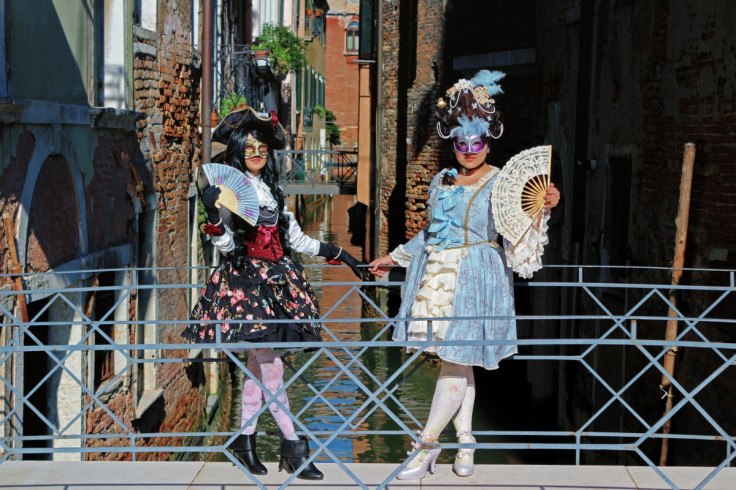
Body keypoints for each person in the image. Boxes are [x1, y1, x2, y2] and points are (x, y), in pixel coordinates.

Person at [368, 70, 560, 480]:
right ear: (452, 140)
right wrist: (393, 258)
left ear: (488, 140)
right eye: (461, 142)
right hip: (438, 279)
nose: (469, 149)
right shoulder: (440, 181)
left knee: (454, 364)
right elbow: (430, 235)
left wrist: (543, 205)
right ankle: (467, 444)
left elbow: (518, 230)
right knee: (459, 365)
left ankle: (425, 447)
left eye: (477, 142)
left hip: (479, 280)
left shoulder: (502, 182)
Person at [182, 106, 367, 480]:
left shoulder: (272, 191)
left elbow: (295, 240)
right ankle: (294, 449)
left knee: (257, 370)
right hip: (246, 287)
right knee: (272, 368)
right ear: (237, 151)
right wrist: (215, 217)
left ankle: (244, 443)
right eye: (248, 147)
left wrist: (343, 255)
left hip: (280, 285)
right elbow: (228, 247)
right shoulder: (231, 191)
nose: (255, 153)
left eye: (261, 147)